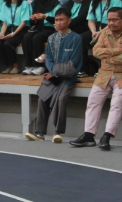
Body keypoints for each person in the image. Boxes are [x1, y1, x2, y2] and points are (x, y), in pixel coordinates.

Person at [69, 8, 122, 150]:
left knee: (116, 104)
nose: (111, 23)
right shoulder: (104, 33)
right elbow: (96, 51)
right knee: (93, 101)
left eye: (115, 20)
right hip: (105, 74)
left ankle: (106, 136)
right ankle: (89, 135)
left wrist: (108, 56)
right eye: (109, 20)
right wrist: (119, 51)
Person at [25, 8, 82, 143]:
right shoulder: (51, 38)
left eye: (61, 20)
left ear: (69, 21)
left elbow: (74, 62)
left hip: (68, 77)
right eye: (56, 20)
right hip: (52, 76)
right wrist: (53, 72)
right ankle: (40, 133)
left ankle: (57, 132)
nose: (58, 23)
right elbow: (49, 59)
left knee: (60, 99)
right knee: (42, 98)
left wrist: (57, 72)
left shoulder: (76, 38)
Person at [81, 0, 122, 77]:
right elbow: (91, 20)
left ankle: (104, 69)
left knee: (105, 39)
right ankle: (85, 69)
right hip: (96, 28)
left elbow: (117, 21)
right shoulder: (94, 2)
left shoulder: (116, 1)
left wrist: (101, 32)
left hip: (112, 27)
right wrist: (93, 32)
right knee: (81, 39)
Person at [22, 0, 60, 75]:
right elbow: (31, 23)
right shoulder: (35, 3)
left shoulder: (55, 3)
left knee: (37, 38)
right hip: (38, 27)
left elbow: (58, 19)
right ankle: (29, 65)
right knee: (27, 37)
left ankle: (40, 66)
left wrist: (45, 17)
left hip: (51, 28)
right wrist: (33, 18)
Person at [0, 0, 32, 74]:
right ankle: (8, 65)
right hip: (9, 28)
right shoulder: (5, 5)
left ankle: (15, 65)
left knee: (8, 43)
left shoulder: (24, 4)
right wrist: (2, 33)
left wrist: (13, 34)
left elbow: (24, 22)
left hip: (20, 29)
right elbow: (4, 23)